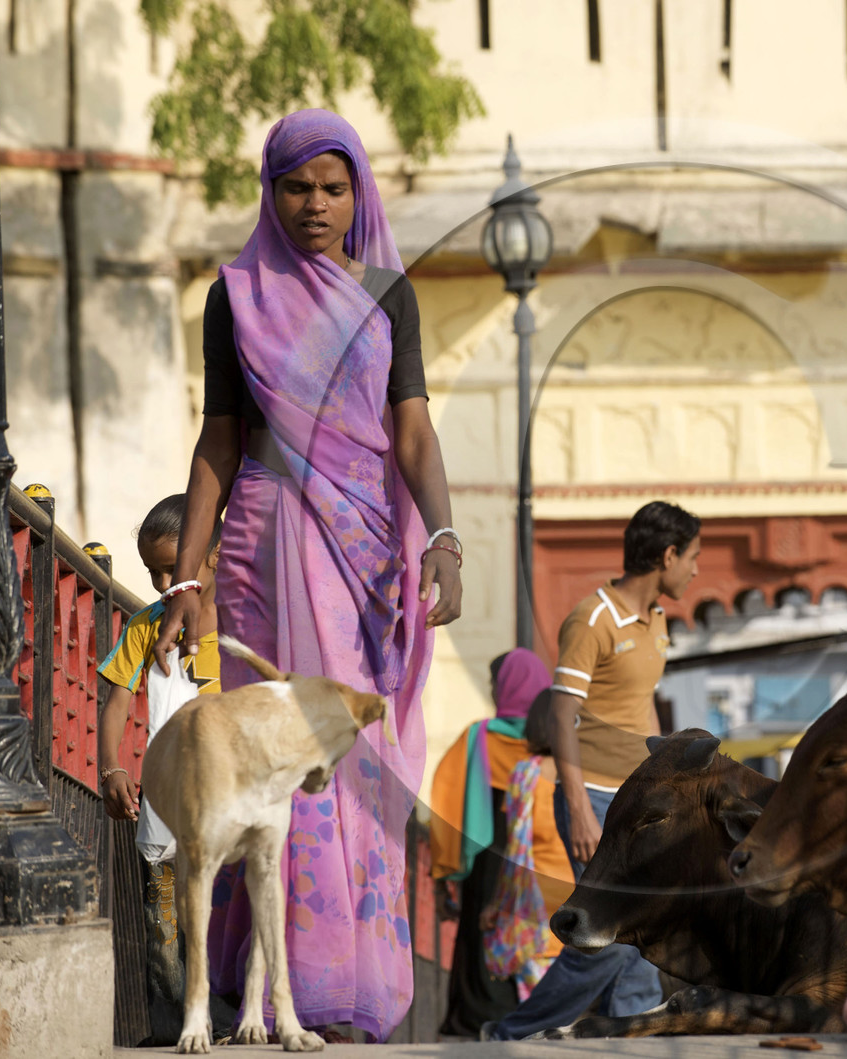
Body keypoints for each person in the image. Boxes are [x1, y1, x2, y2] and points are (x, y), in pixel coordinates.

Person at [151, 108, 463, 1044]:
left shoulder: (387, 295)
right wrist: (187, 579)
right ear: (270, 192)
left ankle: (343, 981)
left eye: (333, 187)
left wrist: (441, 538)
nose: (316, 205)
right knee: (263, 760)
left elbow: (411, 426)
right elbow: (218, 442)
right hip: (260, 547)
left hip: (367, 556)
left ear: (357, 190)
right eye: (296, 187)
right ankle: (259, 995)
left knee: (349, 762)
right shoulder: (234, 295)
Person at [484, 500, 702, 1041]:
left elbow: (641, 705)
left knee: (642, 932)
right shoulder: (593, 618)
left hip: (638, 801)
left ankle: (629, 1039)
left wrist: (666, 777)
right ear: (668, 555)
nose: (696, 570)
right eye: (693, 557)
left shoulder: (656, 620)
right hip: (596, 800)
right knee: (601, 936)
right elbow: (561, 715)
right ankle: (510, 1033)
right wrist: (578, 808)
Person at [96, 494, 234, 1046]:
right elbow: (116, 701)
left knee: (223, 907)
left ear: (216, 554)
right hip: (165, 794)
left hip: (232, 793)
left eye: (172, 570)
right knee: (163, 910)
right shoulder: (147, 626)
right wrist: (111, 769)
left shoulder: (251, 621)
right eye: (152, 572)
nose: (160, 585)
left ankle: (224, 1011)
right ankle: (168, 1020)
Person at [428, 652, 573, 1037]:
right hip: (547, 866)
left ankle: (479, 1020)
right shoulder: (558, 747)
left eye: (494, 684)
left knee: (483, 937)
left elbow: (448, 805)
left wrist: (446, 871)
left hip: (489, 863)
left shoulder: (479, 738)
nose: (493, 691)